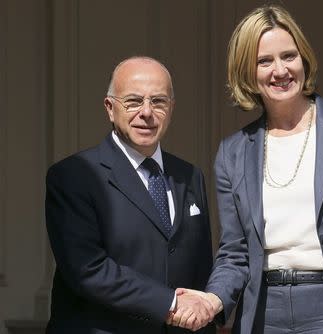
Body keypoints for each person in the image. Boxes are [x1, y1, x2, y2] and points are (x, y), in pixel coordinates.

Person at [171, 5, 323, 334]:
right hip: (263, 315)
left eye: (289, 56)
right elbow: (235, 251)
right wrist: (213, 299)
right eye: (264, 61)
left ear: (304, 59)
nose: (281, 70)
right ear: (247, 72)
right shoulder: (232, 152)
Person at [45, 56, 216, 333]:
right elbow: (87, 270)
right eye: (134, 101)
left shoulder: (190, 176)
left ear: (171, 109)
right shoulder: (74, 175)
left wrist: (204, 312)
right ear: (110, 108)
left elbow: (200, 269)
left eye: (158, 101)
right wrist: (170, 303)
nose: (147, 112)